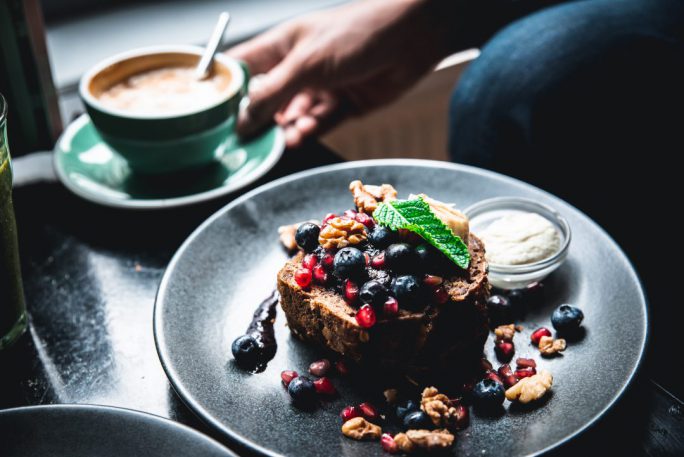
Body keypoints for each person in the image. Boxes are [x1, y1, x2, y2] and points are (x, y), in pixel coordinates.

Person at [229, 0, 684, 392]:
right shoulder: (361, 246)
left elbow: (435, 255)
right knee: (507, 80)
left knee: (504, 81)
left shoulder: (432, 258)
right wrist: (425, 19)